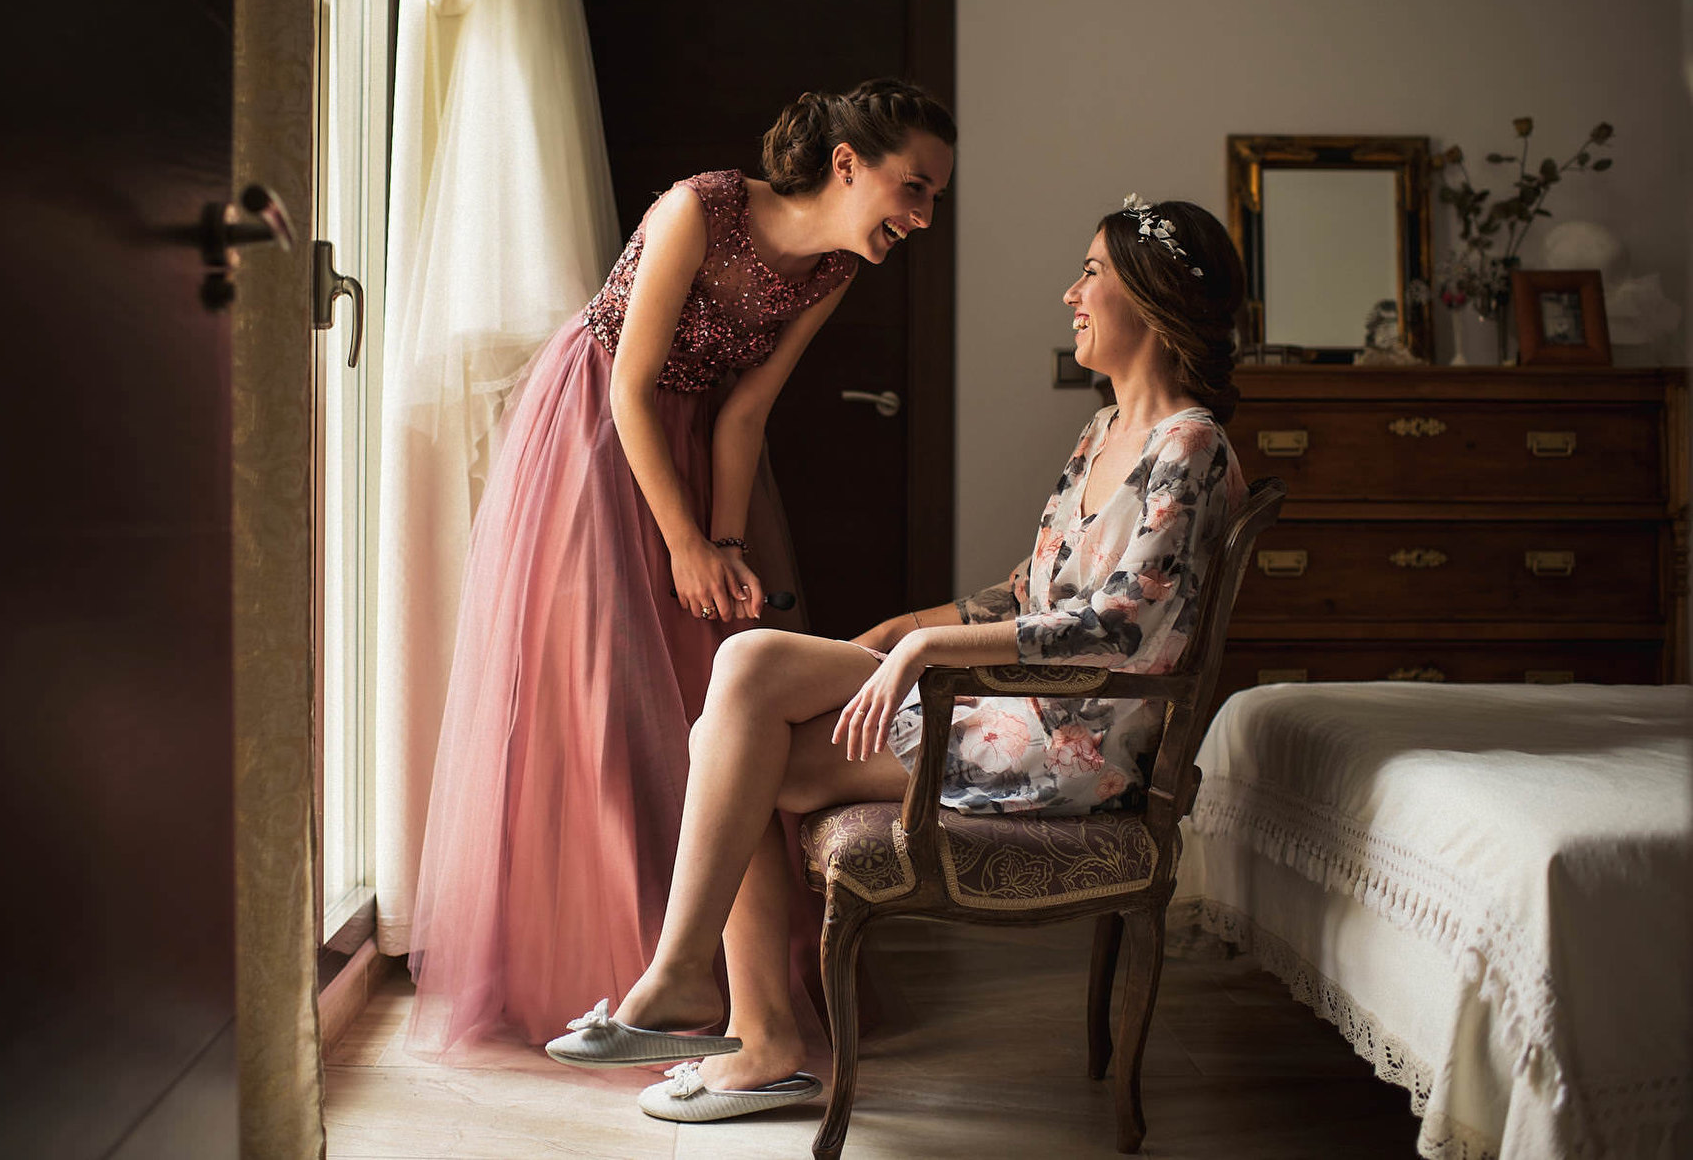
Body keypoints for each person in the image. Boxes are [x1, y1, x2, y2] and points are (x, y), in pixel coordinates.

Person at [544, 195, 1249, 1122]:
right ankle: (707, 1000)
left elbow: (1117, 629)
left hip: (1076, 740)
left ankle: (739, 1026)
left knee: (736, 752)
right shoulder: (1104, 432)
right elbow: (1027, 592)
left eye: (1092, 274)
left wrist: (926, 647)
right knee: (747, 676)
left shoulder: (1189, 445)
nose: (1070, 294)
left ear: (1153, 299)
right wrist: (894, 630)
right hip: (1016, 703)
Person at [407, 80, 959, 1057]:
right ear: (846, 165)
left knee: (710, 685)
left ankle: (722, 987)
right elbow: (626, 385)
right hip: (592, 433)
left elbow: (745, 413)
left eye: (933, 199)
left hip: (698, 446)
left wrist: (727, 546)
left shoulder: (834, 267)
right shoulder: (699, 208)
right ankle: (594, 961)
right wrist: (683, 542)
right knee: (598, 687)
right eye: (912, 188)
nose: (920, 217)